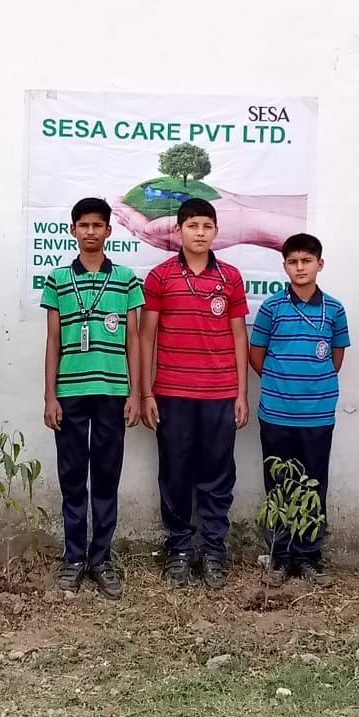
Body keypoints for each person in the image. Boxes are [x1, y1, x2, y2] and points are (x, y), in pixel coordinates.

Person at [140, 197, 249, 589]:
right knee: (175, 472)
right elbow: (146, 336)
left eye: (206, 226)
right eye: (192, 226)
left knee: (218, 474)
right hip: (172, 392)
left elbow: (239, 336)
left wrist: (241, 393)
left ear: (215, 231)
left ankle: (214, 551)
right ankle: (180, 549)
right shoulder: (160, 276)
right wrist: (146, 393)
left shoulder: (231, 277)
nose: (199, 233)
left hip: (220, 393)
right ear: (178, 230)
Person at [41, 198, 143, 598]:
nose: (90, 231)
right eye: (83, 225)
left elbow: (133, 339)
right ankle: (73, 559)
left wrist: (135, 393)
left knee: (105, 476)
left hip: (112, 393)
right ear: (73, 230)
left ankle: (101, 559)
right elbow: (53, 340)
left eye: (97, 225)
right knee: (72, 478)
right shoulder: (57, 280)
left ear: (108, 231)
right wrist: (50, 396)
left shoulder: (126, 280)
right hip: (69, 392)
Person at [249, 233, 350, 588]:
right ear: (285, 266)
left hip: (318, 415)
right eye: (293, 262)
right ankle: (278, 556)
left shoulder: (334, 309)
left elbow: (336, 358)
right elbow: (256, 356)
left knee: (313, 484)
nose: (300, 267)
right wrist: (282, 384)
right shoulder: (271, 308)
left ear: (320, 264)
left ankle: (308, 555)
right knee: (278, 485)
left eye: (306, 261)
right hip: (276, 413)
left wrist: (312, 387)